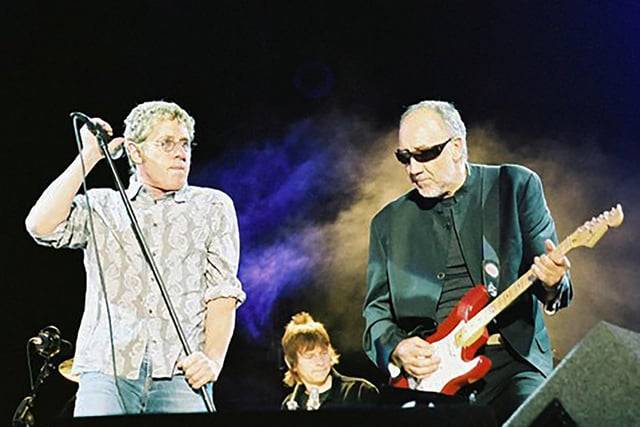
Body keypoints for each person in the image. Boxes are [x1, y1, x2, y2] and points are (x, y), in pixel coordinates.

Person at [25, 100, 246, 416]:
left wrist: (212, 359)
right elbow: (39, 226)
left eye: (185, 143)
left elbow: (222, 293)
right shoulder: (103, 206)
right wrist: (89, 156)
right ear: (135, 151)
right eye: (166, 143)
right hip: (107, 371)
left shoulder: (213, 206)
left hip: (181, 374)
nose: (180, 152)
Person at [362, 100, 573, 424]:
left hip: (509, 361)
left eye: (425, 154)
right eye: (404, 157)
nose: (413, 168)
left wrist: (553, 280)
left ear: (457, 147)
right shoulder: (387, 223)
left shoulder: (514, 186)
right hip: (428, 376)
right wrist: (397, 347)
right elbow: (376, 311)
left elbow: (556, 285)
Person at [281, 312, 379, 411]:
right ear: (291, 363)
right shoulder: (289, 405)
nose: (320, 362)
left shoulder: (360, 392)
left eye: (323, 353)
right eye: (310, 356)